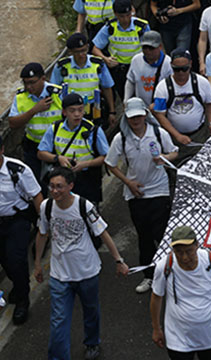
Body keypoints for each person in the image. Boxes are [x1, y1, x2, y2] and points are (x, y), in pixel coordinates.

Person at [34, 166, 128, 360]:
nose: (54, 191)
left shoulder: (84, 206)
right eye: (51, 186)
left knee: (91, 311)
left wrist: (119, 260)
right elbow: (42, 234)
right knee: (58, 320)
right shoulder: (46, 207)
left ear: (71, 186)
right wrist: (37, 264)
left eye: (59, 186)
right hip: (60, 274)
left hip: (87, 271)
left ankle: (92, 343)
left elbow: (103, 233)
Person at [104, 97, 177, 295]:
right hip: (136, 194)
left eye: (138, 116)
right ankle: (149, 275)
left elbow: (174, 152)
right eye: (131, 117)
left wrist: (162, 158)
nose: (135, 120)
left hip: (159, 190)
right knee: (144, 236)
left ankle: (170, 272)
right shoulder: (122, 139)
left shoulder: (158, 133)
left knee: (161, 234)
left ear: (145, 114)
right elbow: (110, 164)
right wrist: (128, 183)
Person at [150, 225, 211, 359]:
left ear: (197, 245)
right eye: (179, 252)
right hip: (179, 339)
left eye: (189, 251)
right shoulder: (164, 267)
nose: (185, 257)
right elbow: (156, 297)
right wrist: (157, 328)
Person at [0, 126, 43, 325]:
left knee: (16, 258)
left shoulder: (17, 170)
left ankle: (23, 300)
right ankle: (19, 285)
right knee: (5, 261)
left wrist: (44, 225)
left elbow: (36, 195)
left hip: (17, 220)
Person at [37, 93, 108, 204]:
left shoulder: (93, 131)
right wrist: (58, 158)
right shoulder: (55, 128)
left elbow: (106, 157)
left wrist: (85, 164)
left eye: (80, 110)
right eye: (72, 111)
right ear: (64, 112)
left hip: (87, 181)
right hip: (63, 181)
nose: (77, 114)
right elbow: (41, 153)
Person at [152, 50, 211, 165]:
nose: (181, 73)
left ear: (190, 64)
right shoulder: (162, 87)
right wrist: (177, 136)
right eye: (177, 69)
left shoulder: (202, 82)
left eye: (184, 68)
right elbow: (159, 115)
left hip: (199, 134)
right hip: (174, 136)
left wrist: (210, 123)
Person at [91, 0, 149, 118]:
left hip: (139, 68)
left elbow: (151, 46)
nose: (126, 19)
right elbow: (95, 48)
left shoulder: (141, 26)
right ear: (116, 14)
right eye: (122, 16)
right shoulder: (110, 28)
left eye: (128, 15)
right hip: (119, 70)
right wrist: (105, 59)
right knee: (126, 99)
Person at [9, 61, 66, 180]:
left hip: (58, 145)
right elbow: (12, 123)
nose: (29, 87)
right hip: (33, 146)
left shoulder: (58, 93)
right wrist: (34, 110)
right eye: (25, 83)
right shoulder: (20, 96)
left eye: (32, 82)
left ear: (43, 79)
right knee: (36, 181)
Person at [124, 30, 173, 111]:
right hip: (141, 108)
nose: (147, 51)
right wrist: (126, 100)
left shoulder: (168, 63)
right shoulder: (136, 60)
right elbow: (130, 81)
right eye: (145, 48)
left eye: (151, 48)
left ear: (160, 46)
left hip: (160, 108)